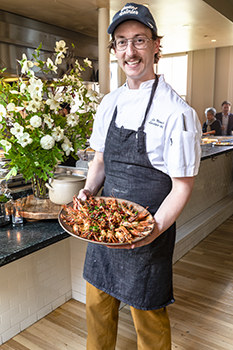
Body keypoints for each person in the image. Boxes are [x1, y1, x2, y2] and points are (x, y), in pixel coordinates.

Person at [78, 3, 202, 349]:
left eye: (139, 40)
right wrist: (89, 191)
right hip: (104, 226)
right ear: (114, 49)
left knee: (148, 317)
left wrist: (152, 231)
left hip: (149, 230)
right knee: (97, 308)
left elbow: (182, 186)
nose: (130, 51)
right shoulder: (109, 103)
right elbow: (100, 159)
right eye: (121, 42)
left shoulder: (178, 112)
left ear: (156, 44)